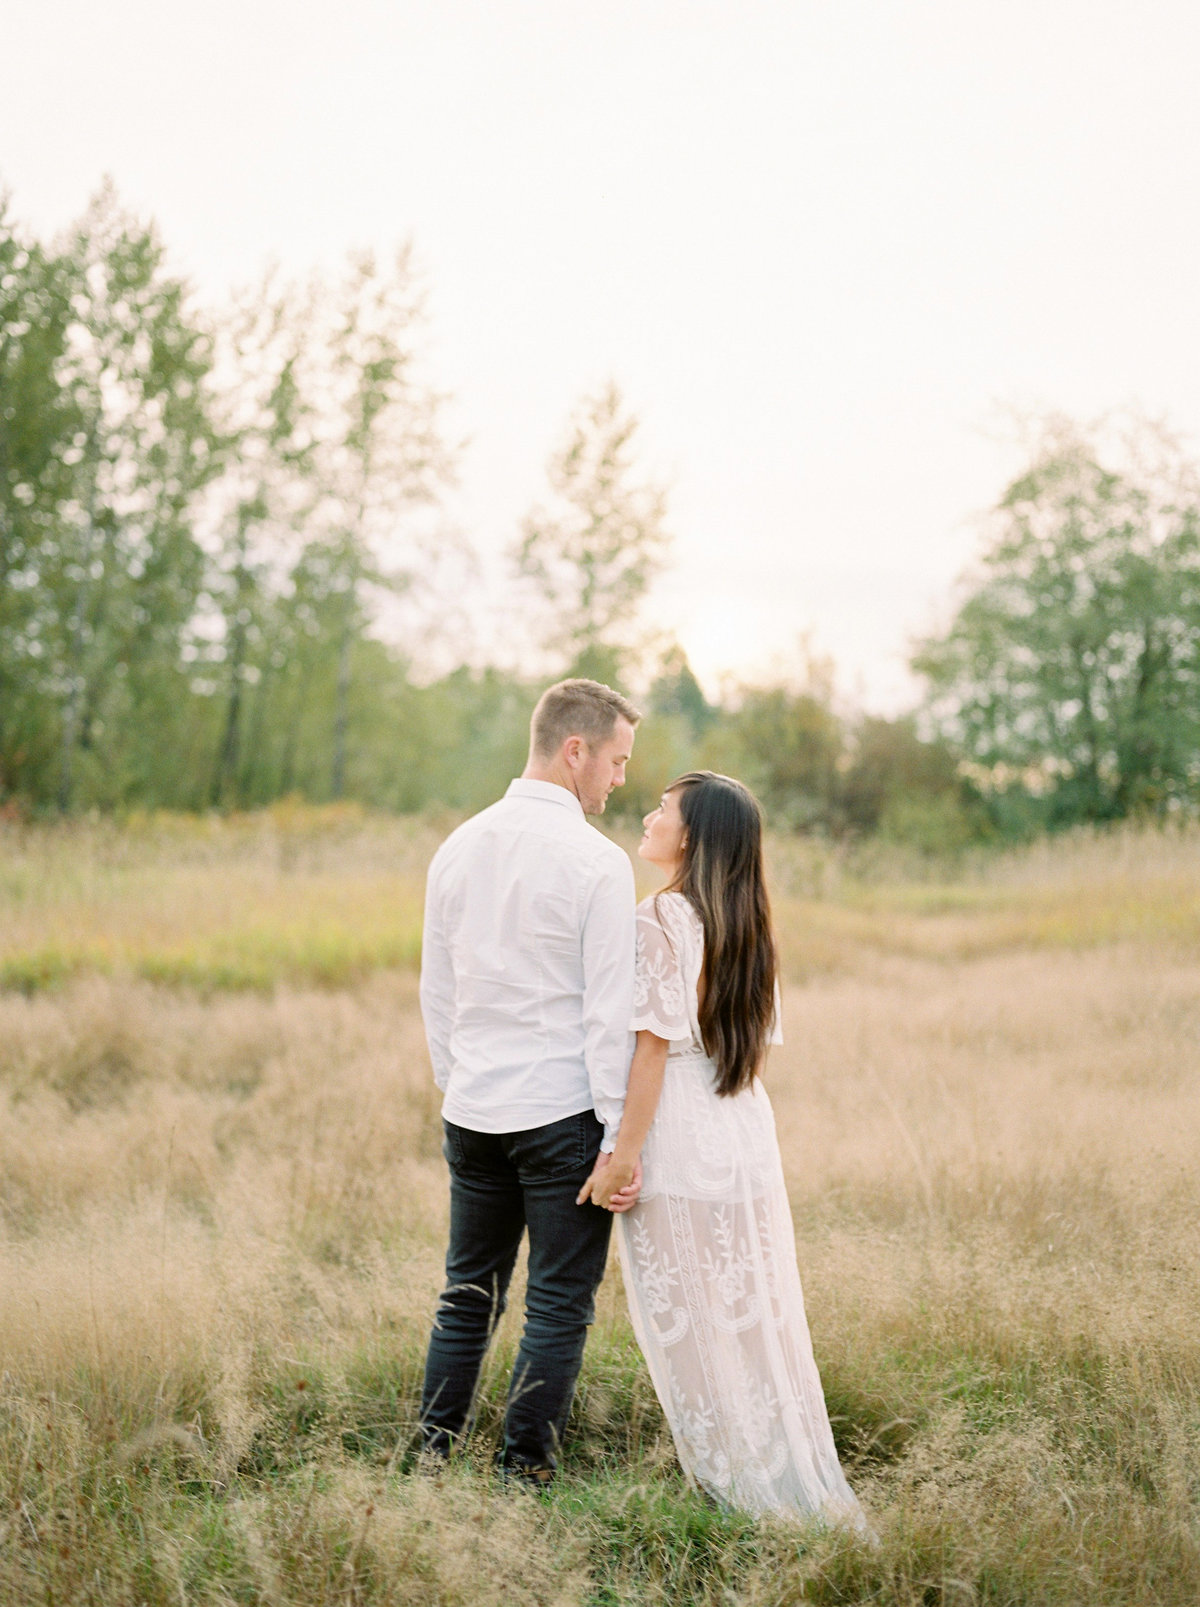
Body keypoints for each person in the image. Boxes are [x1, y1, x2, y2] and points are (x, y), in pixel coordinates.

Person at [577, 771, 866, 1527]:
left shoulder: (659, 917)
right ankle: (775, 1466)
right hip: (739, 1123)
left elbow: (650, 1052)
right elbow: (743, 1045)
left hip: (676, 1125)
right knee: (749, 1309)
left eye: (662, 810)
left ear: (694, 836)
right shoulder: (748, 918)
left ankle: (740, 1490)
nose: (647, 815)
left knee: (693, 1320)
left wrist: (621, 1158)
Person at [418, 677, 642, 1484]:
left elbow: (436, 991)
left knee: (465, 1294)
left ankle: (432, 1459)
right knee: (555, 1303)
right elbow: (609, 1013)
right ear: (574, 748)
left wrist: (460, 1084)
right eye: (615, 759)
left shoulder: (459, 844)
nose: (620, 778)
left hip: (472, 1109)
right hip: (562, 1115)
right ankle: (522, 1473)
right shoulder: (597, 861)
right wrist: (618, 1137)